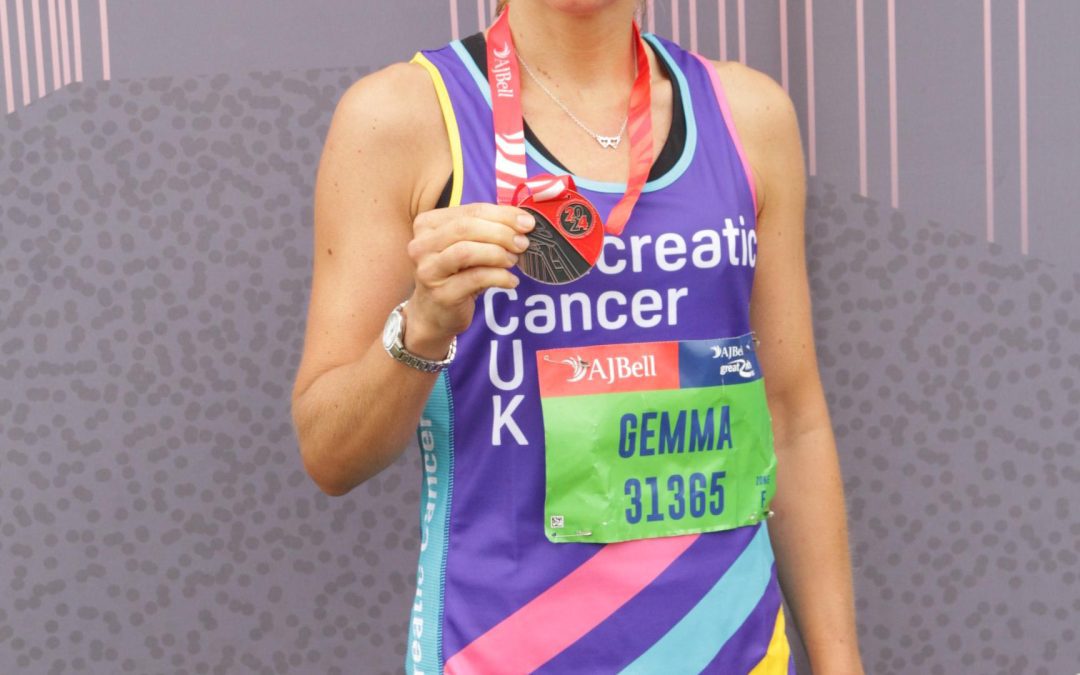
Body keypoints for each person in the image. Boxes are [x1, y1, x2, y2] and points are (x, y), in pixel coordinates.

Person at [290, 0, 865, 672]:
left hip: (730, 652)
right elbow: (330, 453)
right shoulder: (399, 117)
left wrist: (838, 661)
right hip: (507, 653)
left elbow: (790, 419)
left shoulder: (749, 114)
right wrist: (423, 327)